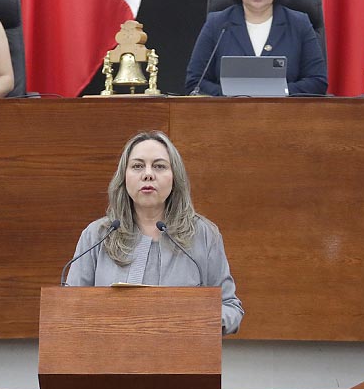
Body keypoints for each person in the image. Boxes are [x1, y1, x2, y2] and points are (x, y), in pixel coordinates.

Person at [66, 131, 244, 335]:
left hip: (181, 351)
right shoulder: (98, 235)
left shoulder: (203, 235)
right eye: (137, 166)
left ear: (175, 177)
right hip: (109, 352)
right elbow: (69, 306)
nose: (148, 174)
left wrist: (198, 320)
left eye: (159, 166)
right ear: (124, 177)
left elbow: (230, 307)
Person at [184, 0, 327, 96]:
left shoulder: (299, 24)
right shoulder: (217, 24)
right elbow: (195, 83)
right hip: (229, 110)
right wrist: (233, 96)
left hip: (285, 110)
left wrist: (277, 93)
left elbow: (317, 81)